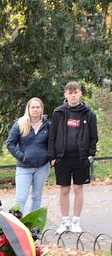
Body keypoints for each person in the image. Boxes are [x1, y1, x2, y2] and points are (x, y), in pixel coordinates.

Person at [47, 81, 98, 234]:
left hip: (81, 158)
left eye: (75, 92)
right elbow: (52, 136)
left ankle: (76, 221)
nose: (73, 95)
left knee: (78, 188)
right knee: (64, 189)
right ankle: (64, 222)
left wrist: (90, 155)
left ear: (80, 93)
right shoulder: (58, 112)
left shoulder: (89, 114)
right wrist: (52, 156)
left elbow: (94, 137)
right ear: (65, 95)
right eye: (70, 92)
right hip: (62, 157)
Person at [5, 97, 50, 213]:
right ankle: (16, 226)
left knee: (37, 197)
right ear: (28, 109)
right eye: (33, 107)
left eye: (38, 107)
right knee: (21, 198)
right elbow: (10, 143)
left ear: (41, 109)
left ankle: (34, 226)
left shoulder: (47, 125)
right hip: (24, 167)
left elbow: (52, 143)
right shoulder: (20, 124)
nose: (35, 109)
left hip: (42, 167)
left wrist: (50, 157)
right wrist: (21, 156)